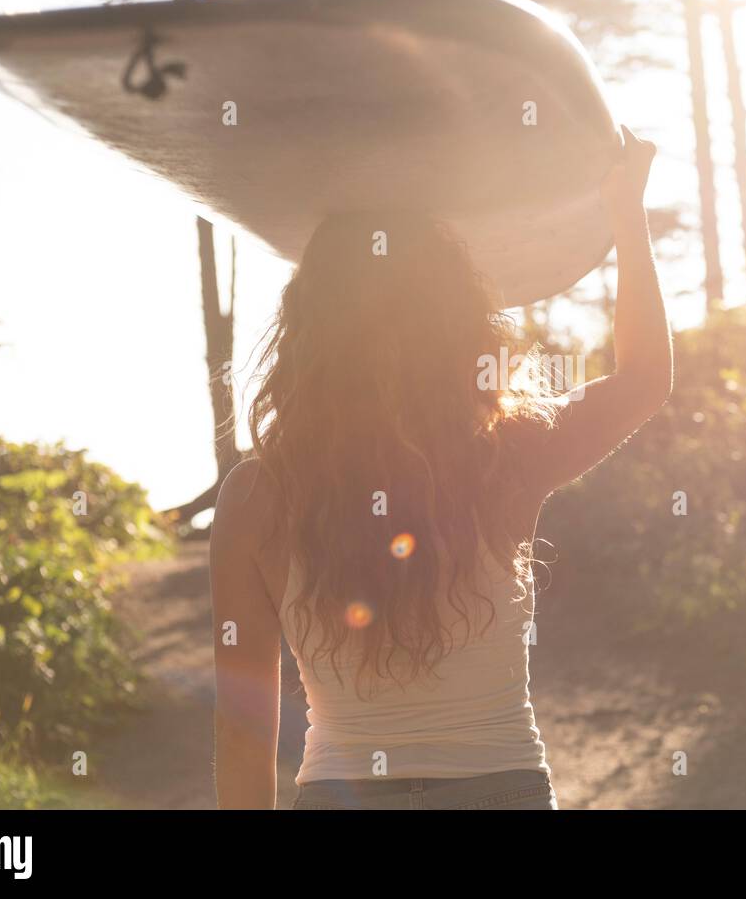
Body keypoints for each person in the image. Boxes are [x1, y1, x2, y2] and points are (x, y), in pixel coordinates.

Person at [209, 126, 671, 809]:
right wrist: (625, 209)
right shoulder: (508, 452)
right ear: (457, 322)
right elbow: (644, 378)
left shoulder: (254, 497)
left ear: (306, 328)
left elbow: (244, 734)